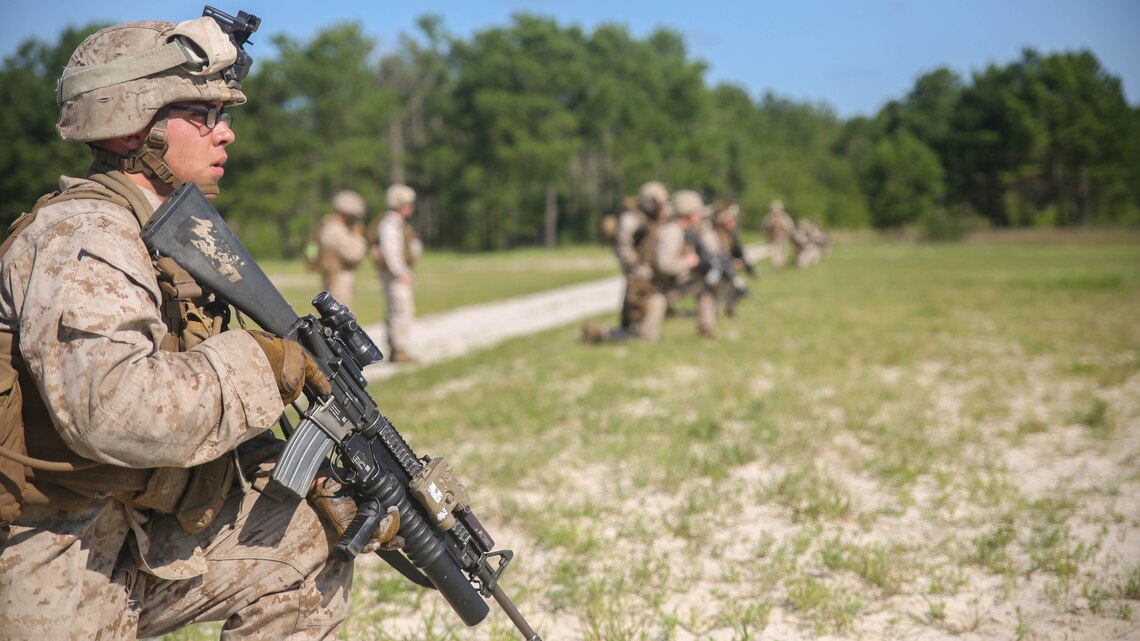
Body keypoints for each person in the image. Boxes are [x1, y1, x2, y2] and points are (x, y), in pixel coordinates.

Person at [0, 15, 395, 639]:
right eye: (203, 114)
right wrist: (263, 363)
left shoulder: (157, 237)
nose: (226, 133)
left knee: (308, 534)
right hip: (47, 547)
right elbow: (114, 410)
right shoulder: (83, 237)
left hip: (128, 518)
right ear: (135, 125)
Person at [582, 181, 670, 344]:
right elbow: (624, 249)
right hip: (636, 268)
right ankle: (619, 333)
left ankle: (628, 330)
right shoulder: (630, 218)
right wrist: (638, 266)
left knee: (639, 304)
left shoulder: (653, 216)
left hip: (646, 267)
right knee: (638, 302)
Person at [639, 189, 704, 342]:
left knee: (705, 283)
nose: (700, 215)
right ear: (688, 212)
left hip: (663, 285)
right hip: (653, 289)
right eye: (697, 212)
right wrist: (688, 262)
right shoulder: (672, 231)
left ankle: (705, 326)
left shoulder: (684, 230)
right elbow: (664, 265)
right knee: (644, 337)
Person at [368, 184, 422, 363]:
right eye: (407, 203)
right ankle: (399, 349)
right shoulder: (390, 225)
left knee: (397, 309)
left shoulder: (396, 224)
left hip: (396, 275)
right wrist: (401, 273)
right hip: (396, 276)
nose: (411, 207)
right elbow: (391, 251)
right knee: (400, 309)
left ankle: (397, 348)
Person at [315, 190, 368, 307]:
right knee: (340, 319)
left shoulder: (329, 225)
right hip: (339, 279)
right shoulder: (336, 229)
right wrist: (357, 235)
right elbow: (354, 255)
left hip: (334, 277)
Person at [709, 200, 753, 318]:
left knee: (739, 285)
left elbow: (735, 253)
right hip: (711, 271)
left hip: (725, 270)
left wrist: (738, 262)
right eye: (731, 218)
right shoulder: (712, 235)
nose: (734, 221)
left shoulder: (729, 235)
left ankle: (729, 308)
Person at [761, 199, 795, 268]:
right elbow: (765, 227)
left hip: (783, 237)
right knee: (775, 251)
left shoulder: (785, 217)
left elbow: (790, 227)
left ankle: (781, 264)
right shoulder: (769, 218)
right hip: (773, 237)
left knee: (782, 251)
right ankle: (777, 265)